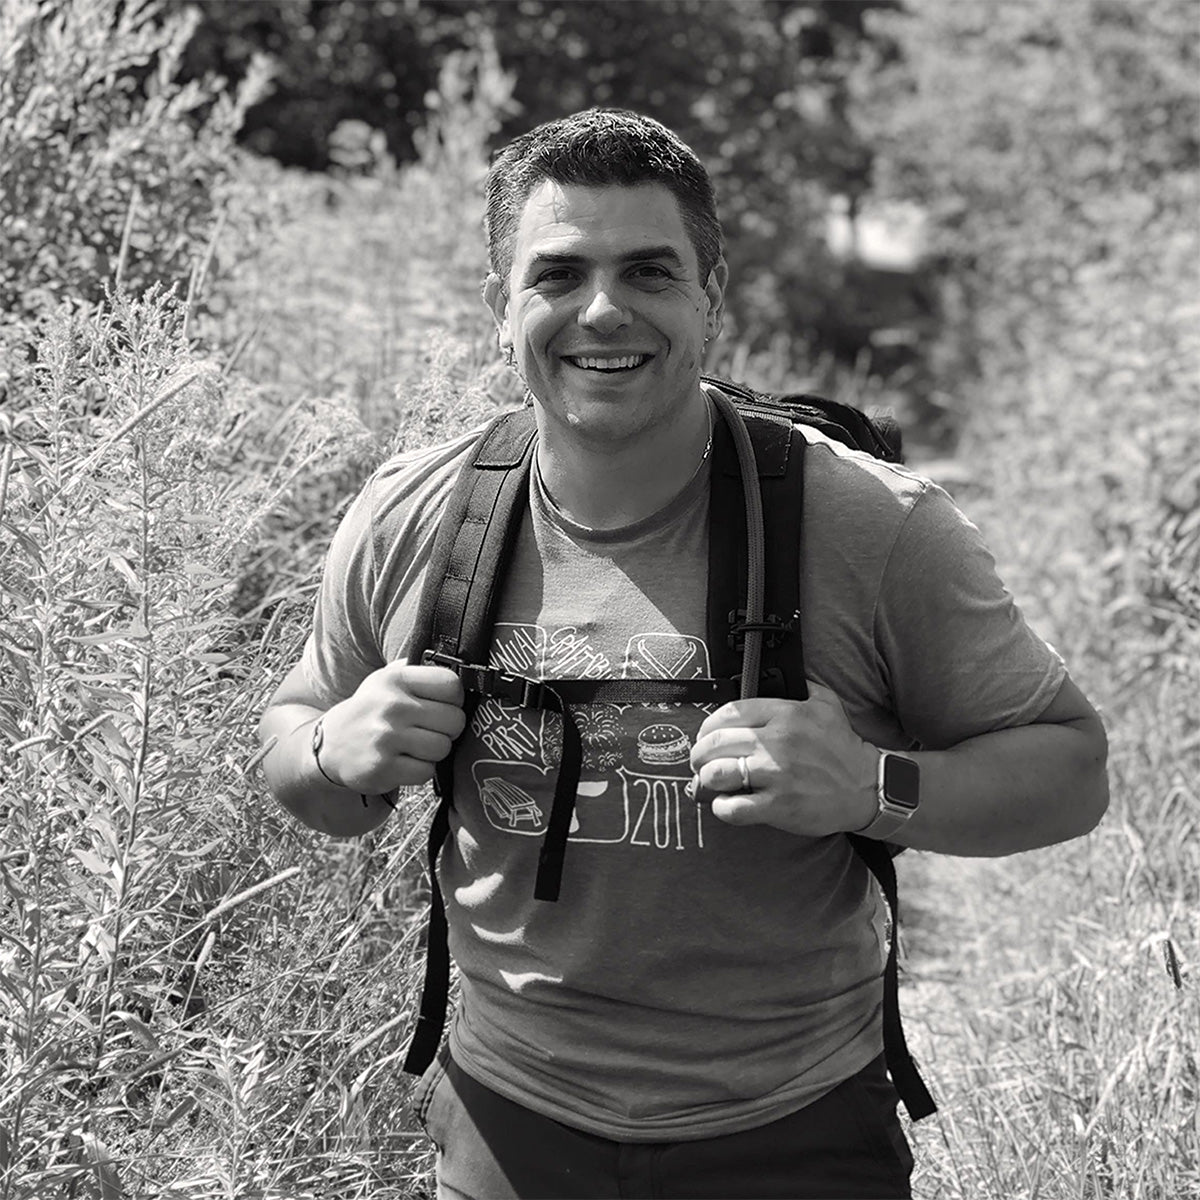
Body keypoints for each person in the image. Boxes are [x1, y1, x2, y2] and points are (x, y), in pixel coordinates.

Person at [258, 108, 1109, 1200]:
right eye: (558, 273)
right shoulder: (413, 516)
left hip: (793, 1130)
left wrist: (870, 785)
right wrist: (336, 750)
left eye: (650, 272)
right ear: (499, 307)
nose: (602, 310)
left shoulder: (868, 526)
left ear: (713, 299)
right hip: (505, 1128)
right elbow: (296, 745)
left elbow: (1070, 770)